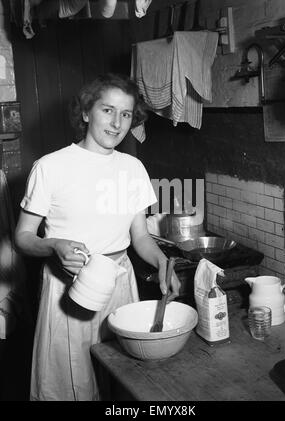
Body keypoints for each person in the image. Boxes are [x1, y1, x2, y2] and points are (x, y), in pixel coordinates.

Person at [14, 73, 181, 401]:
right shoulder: (50, 167)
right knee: (69, 381)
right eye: (108, 110)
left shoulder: (132, 168)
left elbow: (141, 238)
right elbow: (23, 237)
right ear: (87, 112)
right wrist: (54, 246)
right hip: (68, 286)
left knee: (123, 379)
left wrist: (164, 263)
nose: (117, 123)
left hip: (119, 284)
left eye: (126, 114)